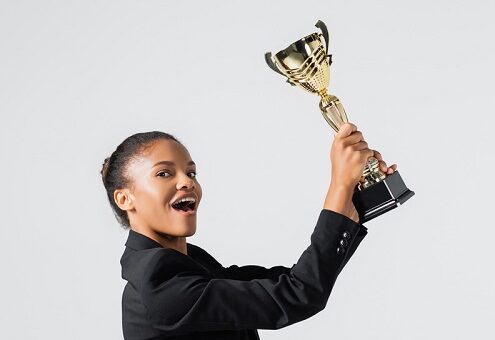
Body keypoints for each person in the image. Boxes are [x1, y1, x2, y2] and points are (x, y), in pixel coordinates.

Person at [99, 123, 397, 340]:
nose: (186, 182)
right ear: (125, 198)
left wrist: (358, 195)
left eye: (191, 173)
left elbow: (295, 280)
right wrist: (340, 184)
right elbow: (299, 294)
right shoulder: (160, 286)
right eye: (164, 173)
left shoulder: (186, 263)